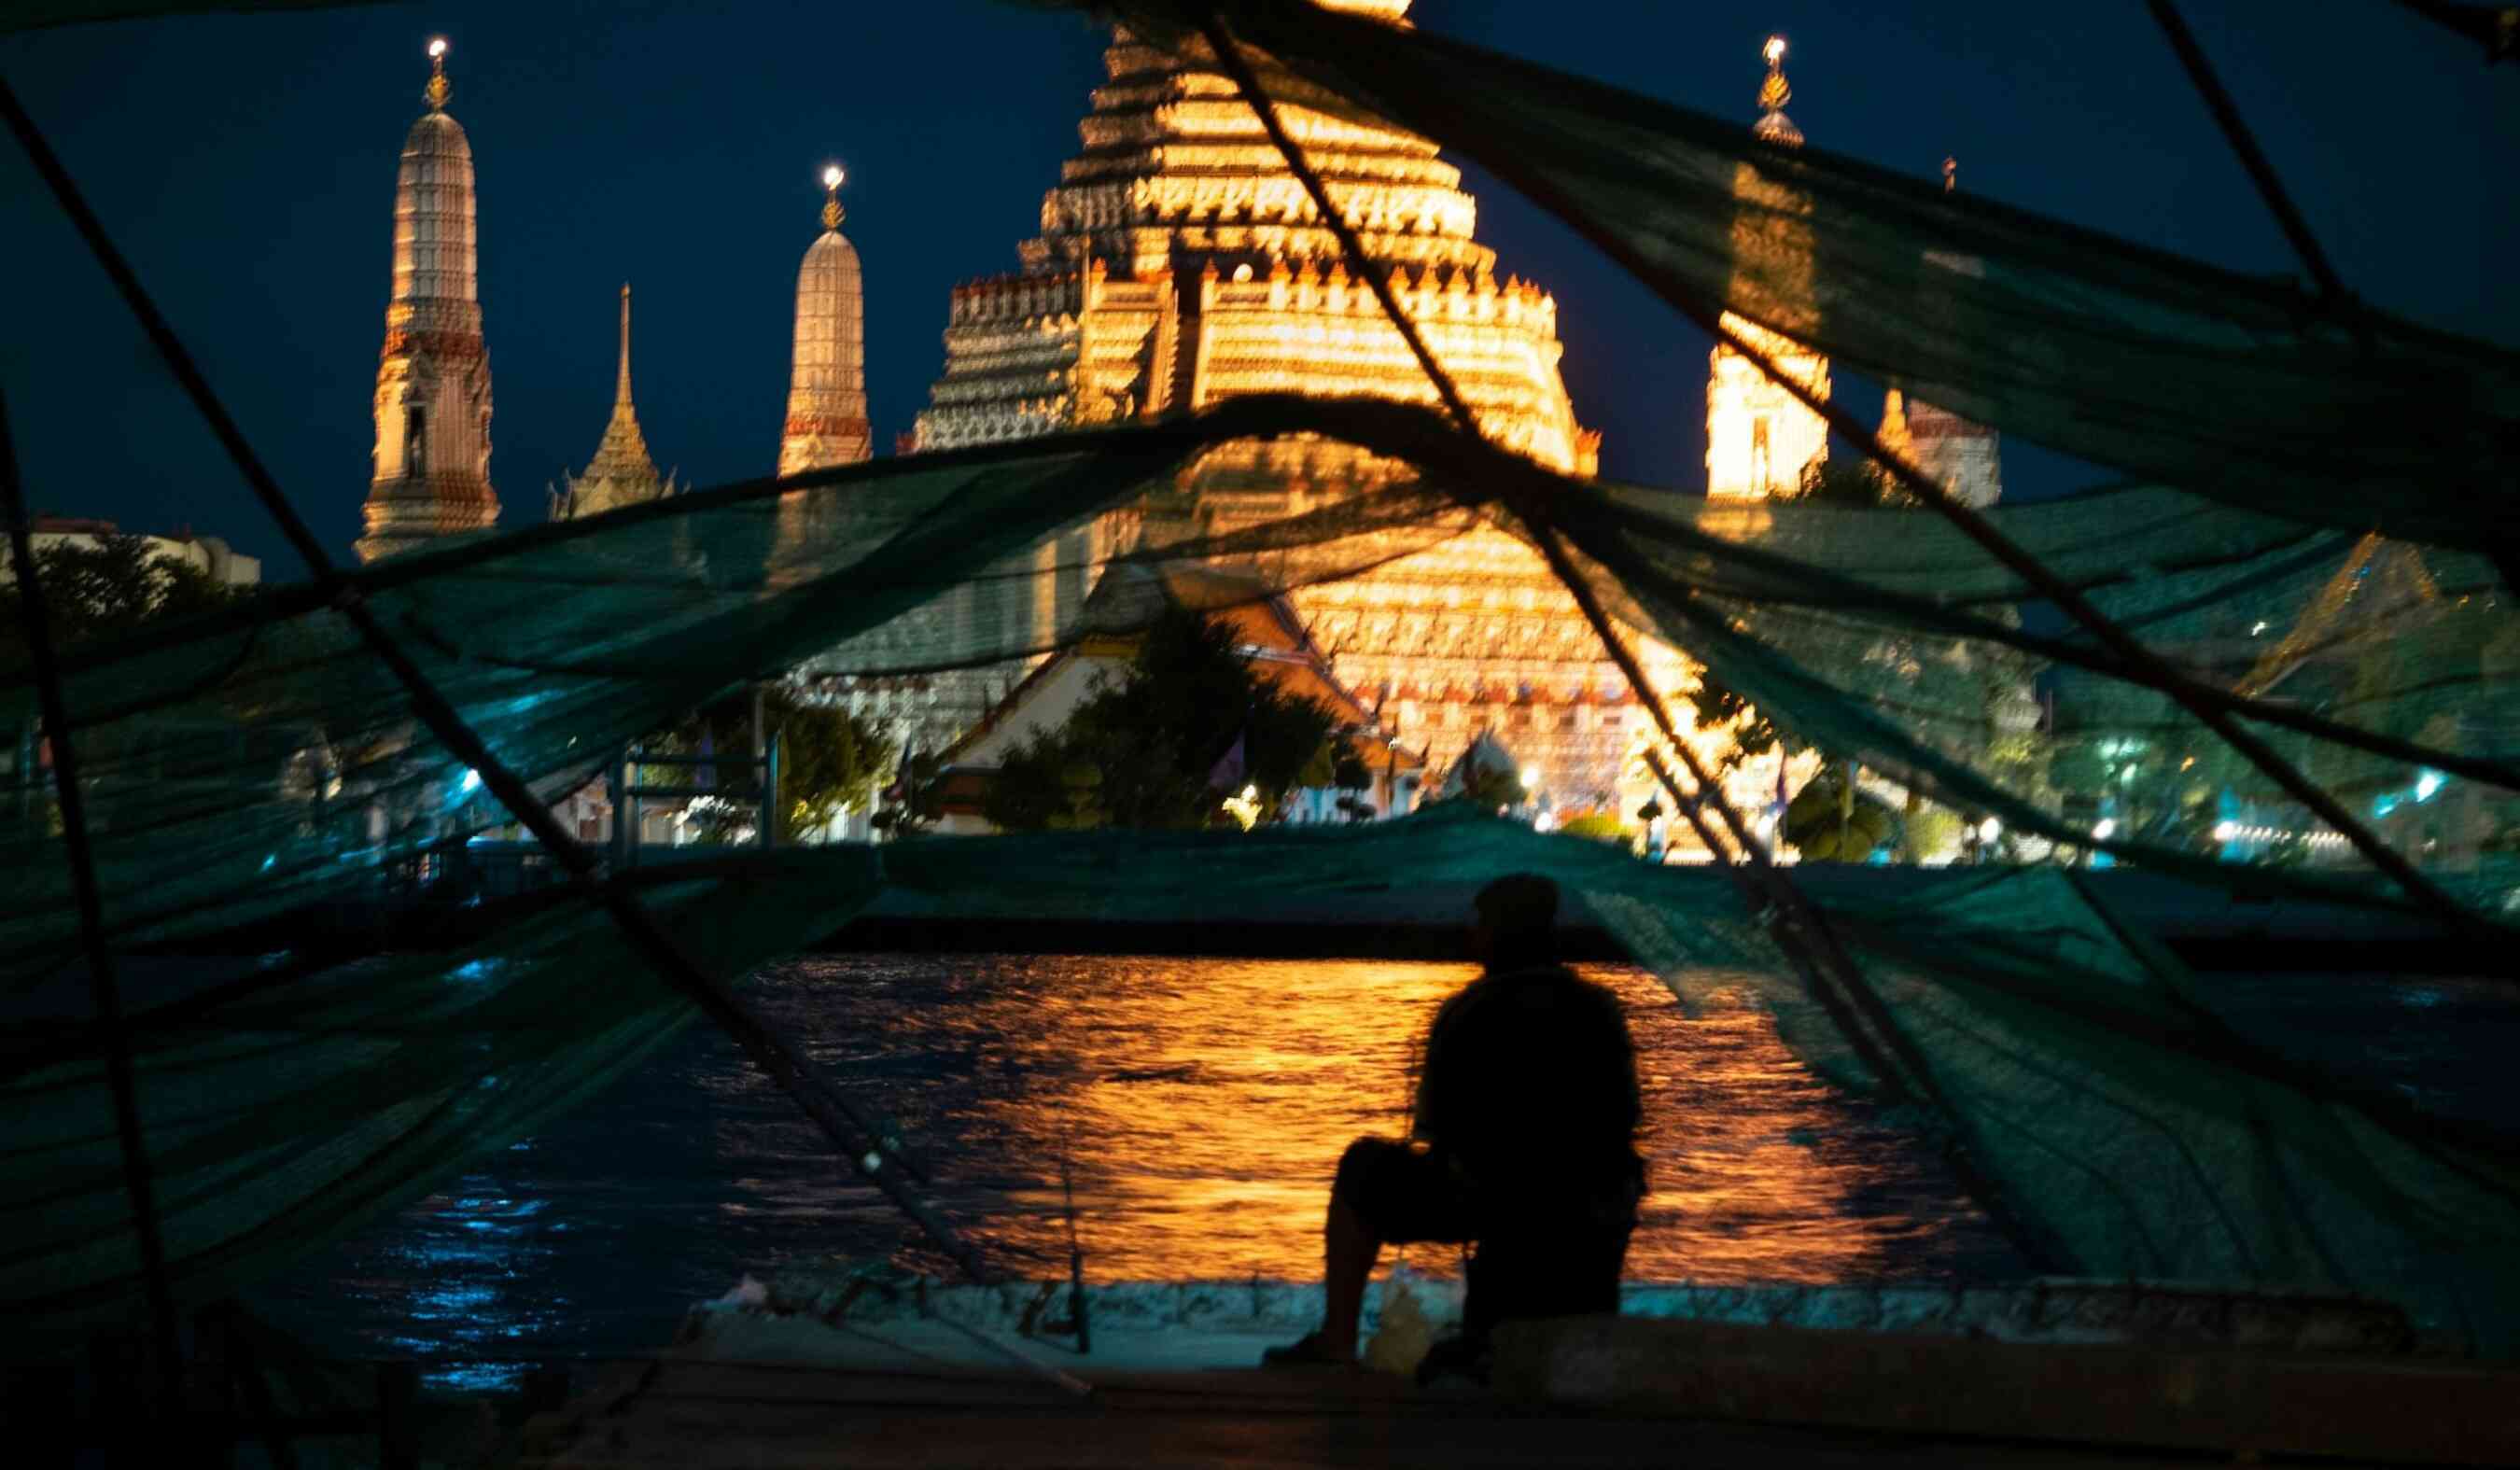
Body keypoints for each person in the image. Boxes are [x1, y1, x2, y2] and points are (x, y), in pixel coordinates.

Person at [1263, 873, 1645, 1370]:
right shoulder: (1600, 1009)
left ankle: (1338, 1342)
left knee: (1363, 1165)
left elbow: (1440, 1140)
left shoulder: (1470, 1012)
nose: (1473, 936)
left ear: (1494, 936)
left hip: (1502, 1202)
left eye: (1481, 926)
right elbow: (1624, 1121)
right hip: (1594, 1208)